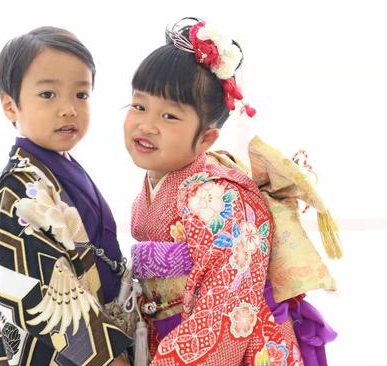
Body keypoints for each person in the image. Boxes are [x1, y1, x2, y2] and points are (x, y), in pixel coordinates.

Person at [125, 17, 313, 365]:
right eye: (138, 106)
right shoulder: (152, 193)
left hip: (234, 348)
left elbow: (225, 307)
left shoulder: (219, 197)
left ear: (207, 137)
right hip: (165, 335)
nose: (146, 124)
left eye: (169, 116)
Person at [0, 26, 131, 366]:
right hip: (64, 349)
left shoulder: (58, 168)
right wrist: (110, 360)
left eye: (81, 95)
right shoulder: (21, 187)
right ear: (10, 105)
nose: (69, 109)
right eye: (48, 95)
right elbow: (43, 292)